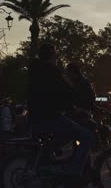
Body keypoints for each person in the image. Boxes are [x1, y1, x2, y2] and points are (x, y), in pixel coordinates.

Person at [28, 43, 95, 179]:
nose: (57, 58)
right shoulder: (51, 72)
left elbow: (53, 95)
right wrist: (78, 107)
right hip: (50, 117)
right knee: (87, 137)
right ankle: (73, 172)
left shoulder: (34, 70)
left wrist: (70, 107)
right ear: (52, 56)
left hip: (35, 117)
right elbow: (66, 93)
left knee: (66, 136)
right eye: (56, 55)